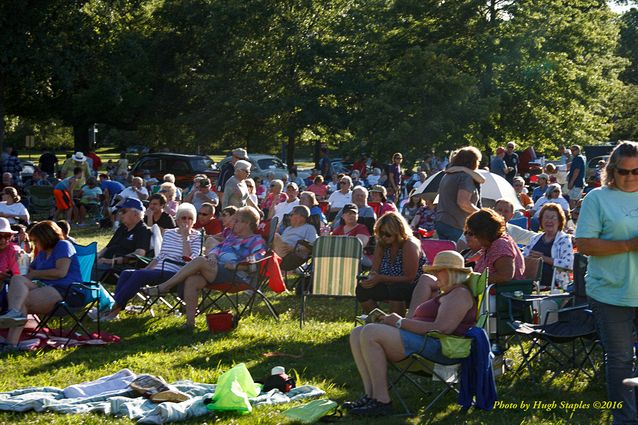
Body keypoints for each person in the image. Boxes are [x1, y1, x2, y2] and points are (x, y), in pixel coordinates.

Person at [345, 250, 476, 416]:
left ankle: (382, 400)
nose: (435, 274)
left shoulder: (459, 294)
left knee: (370, 332)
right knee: (357, 332)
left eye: (438, 270)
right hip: (426, 341)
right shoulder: (448, 292)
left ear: (452, 272)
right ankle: (370, 395)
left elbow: (442, 329)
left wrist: (400, 322)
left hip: (442, 349)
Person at [574, 141, 638, 425]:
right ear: (612, 170)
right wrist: (628, 244)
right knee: (620, 359)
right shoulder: (597, 198)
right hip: (611, 292)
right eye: (623, 171)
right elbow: (584, 244)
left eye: (637, 171)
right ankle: (624, 419)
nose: (630, 177)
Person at [143, 206, 266, 329]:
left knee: (200, 260)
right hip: (217, 270)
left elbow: (257, 262)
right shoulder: (232, 237)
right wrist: (212, 256)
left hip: (236, 276)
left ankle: (163, 287)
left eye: (237, 221)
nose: (233, 223)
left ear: (247, 223)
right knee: (192, 280)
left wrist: (237, 267)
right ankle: (190, 323)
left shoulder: (256, 241)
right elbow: (217, 248)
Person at [98, 204, 202, 321]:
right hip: (160, 269)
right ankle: (115, 311)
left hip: (177, 274)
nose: (187, 221)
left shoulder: (197, 236)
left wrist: (185, 237)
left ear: (194, 221)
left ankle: (111, 310)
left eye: (190, 218)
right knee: (126, 273)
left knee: (139, 275)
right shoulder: (169, 233)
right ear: (177, 220)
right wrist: (147, 268)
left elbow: (189, 259)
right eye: (183, 218)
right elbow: (160, 256)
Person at [0, 221, 83, 352]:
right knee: (17, 279)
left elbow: (61, 272)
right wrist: (21, 259)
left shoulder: (63, 245)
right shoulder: (43, 253)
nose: (35, 244)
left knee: (23, 301)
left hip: (68, 291)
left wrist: (35, 274)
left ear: (45, 237)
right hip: (46, 288)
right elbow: (27, 272)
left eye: (36, 240)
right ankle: (13, 314)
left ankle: (11, 342)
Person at [355, 212, 427, 315]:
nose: (384, 237)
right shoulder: (382, 244)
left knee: (397, 288)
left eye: (387, 234)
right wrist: (371, 279)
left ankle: (395, 324)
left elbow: (409, 278)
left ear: (398, 231)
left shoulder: (409, 244)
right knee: (362, 289)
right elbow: (374, 270)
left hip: (415, 288)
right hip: (389, 284)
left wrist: (381, 278)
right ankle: (377, 320)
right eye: (380, 233)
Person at [434, 147, 483, 242]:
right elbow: (463, 203)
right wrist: (480, 212)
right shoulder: (465, 177)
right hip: (455, 224)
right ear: (473, 162)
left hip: (441, 221)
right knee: (458, 256)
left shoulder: (447, 175)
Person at [464, 208, 525, 283]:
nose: (474, 237)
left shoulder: (501, 245)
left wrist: (476, 281)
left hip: (501, 291)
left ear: (484, 232)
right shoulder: (491, 242)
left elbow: (505, 276)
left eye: (473, 233)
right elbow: (482, 253)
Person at [95, 198, 152, 275]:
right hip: (105, 262)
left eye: (123, 211)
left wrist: (110, 261)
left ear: (136, 214)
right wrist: (97, 256)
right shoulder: (122, 228)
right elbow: (108, 247)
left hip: (119, 267)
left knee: (87, 269)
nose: (120, 214)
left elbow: (139, 254)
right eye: (119, 211)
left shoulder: (143, 230)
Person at [523, 203, 573, 290]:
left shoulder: (564, 239)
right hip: (531, 284)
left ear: (559, 221)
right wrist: (529, 258)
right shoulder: (535, 238)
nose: (549, 221)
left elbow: (569, 264)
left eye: (553, 217)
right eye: (546, 217)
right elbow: (523, 257)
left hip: (555, 287)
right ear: (541, 220)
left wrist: (544, 258)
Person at [567, 144, 586, 208]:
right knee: (576, 201)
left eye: (573, 150)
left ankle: (574, 216)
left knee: (573, 201)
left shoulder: (578, 158)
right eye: (571, 150)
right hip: (579, 183)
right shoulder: (581, 157)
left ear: (578, 150)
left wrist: (571, 182)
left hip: (576, 183)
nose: (572, 152)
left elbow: (577, 170)